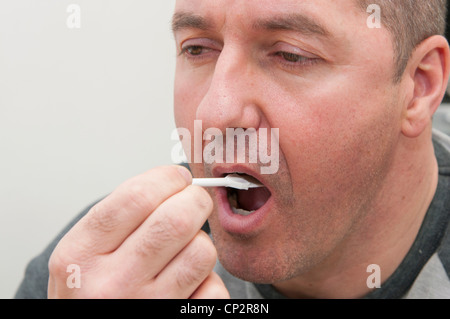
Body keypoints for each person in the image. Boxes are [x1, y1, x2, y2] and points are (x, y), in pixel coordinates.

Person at [15, 0, 450, 299]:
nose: (215, 111)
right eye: (198, 48)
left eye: (290, 55)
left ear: (418, 87)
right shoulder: (101, 274)